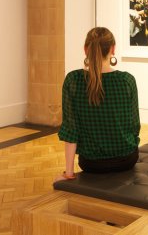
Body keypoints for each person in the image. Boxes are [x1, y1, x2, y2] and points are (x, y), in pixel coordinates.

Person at [56, 27, 140, 181]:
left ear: (85, 49)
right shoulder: (127, 80)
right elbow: (134, 126)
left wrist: (69, 173)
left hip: (91, 163)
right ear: (112, 49)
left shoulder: (73, 80)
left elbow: (70, 129)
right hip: (126, 159)